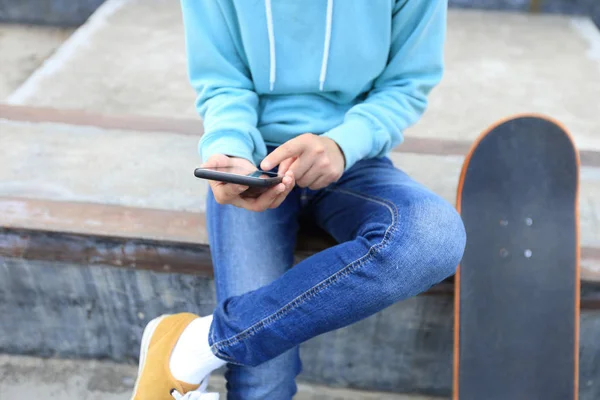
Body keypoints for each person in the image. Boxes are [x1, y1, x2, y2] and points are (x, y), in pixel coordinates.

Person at [131, 0, 465, 399]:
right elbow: (222, 82)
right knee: (262, 381)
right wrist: (231, 149)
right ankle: (202, 345)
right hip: (255, 161)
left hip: (352, 158)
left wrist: (341, 145)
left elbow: (406, 85)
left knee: (434, 235)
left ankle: (195, 343)